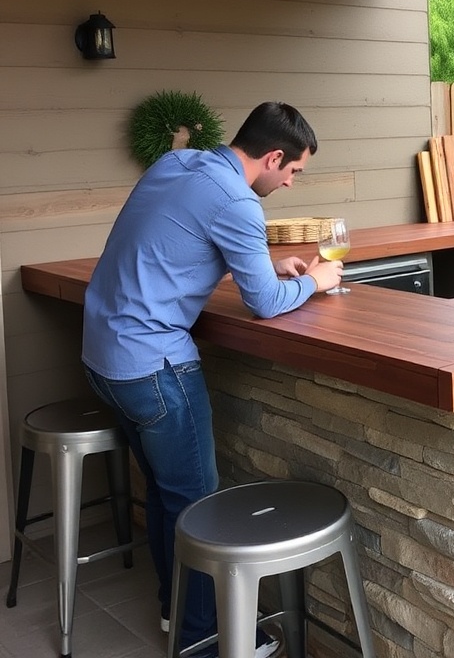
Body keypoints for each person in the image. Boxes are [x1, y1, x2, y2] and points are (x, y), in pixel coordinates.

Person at [82, 102, 343, 658]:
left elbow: (176, 242)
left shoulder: (177, 164)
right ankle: (202, 639)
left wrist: (266, 264)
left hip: (103, 357)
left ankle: (175, 610)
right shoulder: (239, 202)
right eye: (294, 171)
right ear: (273, 157)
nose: (290, 183)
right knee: (197, 507)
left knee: (165, 492)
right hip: (155, 368)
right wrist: (316, 281)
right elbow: (265, 304)